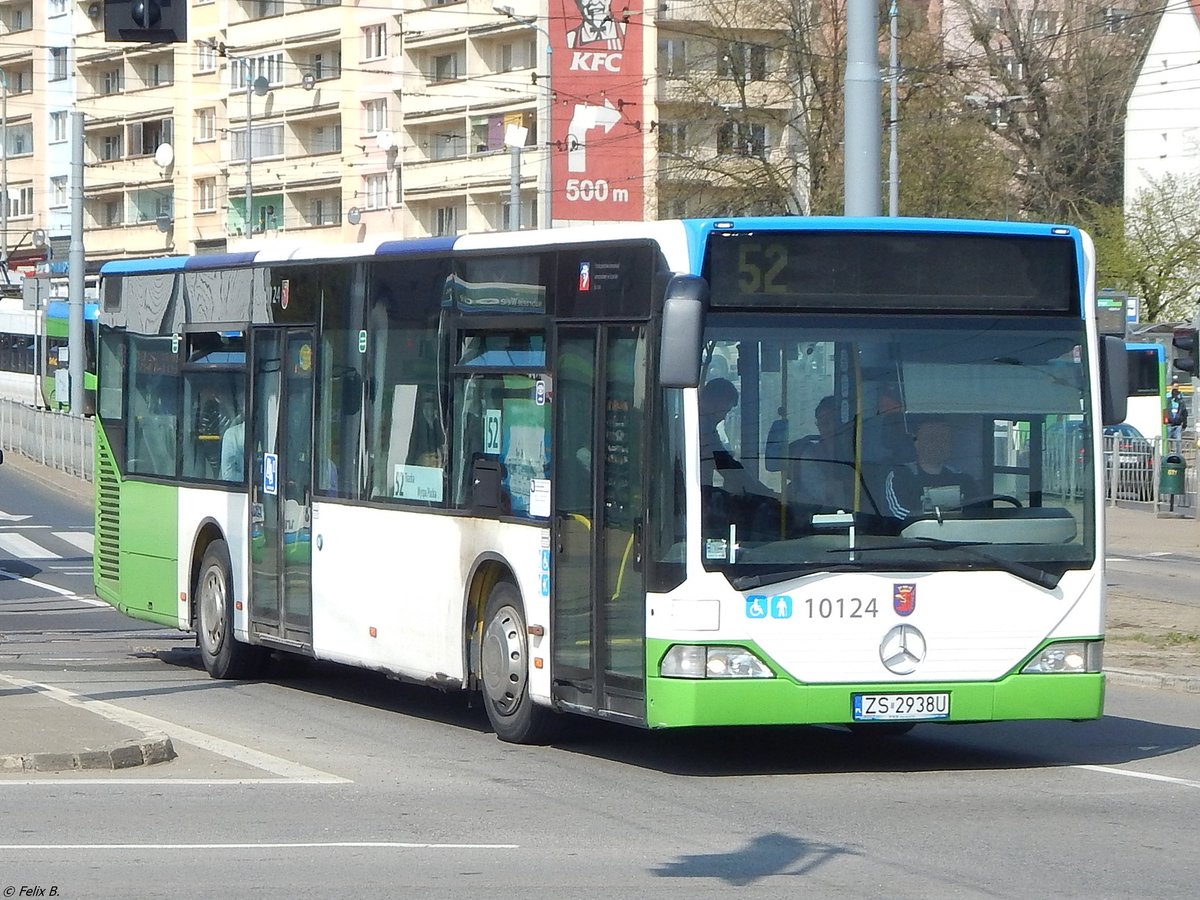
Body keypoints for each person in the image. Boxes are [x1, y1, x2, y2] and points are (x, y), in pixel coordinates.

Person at [884, 417, 978, 519]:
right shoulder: (901, 476)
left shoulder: (964, 480)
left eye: (944, 438)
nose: (938, 443)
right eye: (931, 438)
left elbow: (977, 515)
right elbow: (898, 515)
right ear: (917, 443)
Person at [699, 377, 772, 496]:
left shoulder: (702, 426)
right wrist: (765, 493)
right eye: (724, 411)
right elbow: (728, 467)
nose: (723, 418)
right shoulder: (702, 429)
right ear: (713, 404)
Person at [788, 395, 854, 511]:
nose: (830, 428)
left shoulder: (856, 451)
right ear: (818, 425)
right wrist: (848, 485)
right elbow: (821, 491)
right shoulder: (809, 456)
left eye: (834, 421)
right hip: (816, 515)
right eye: (824, 423)